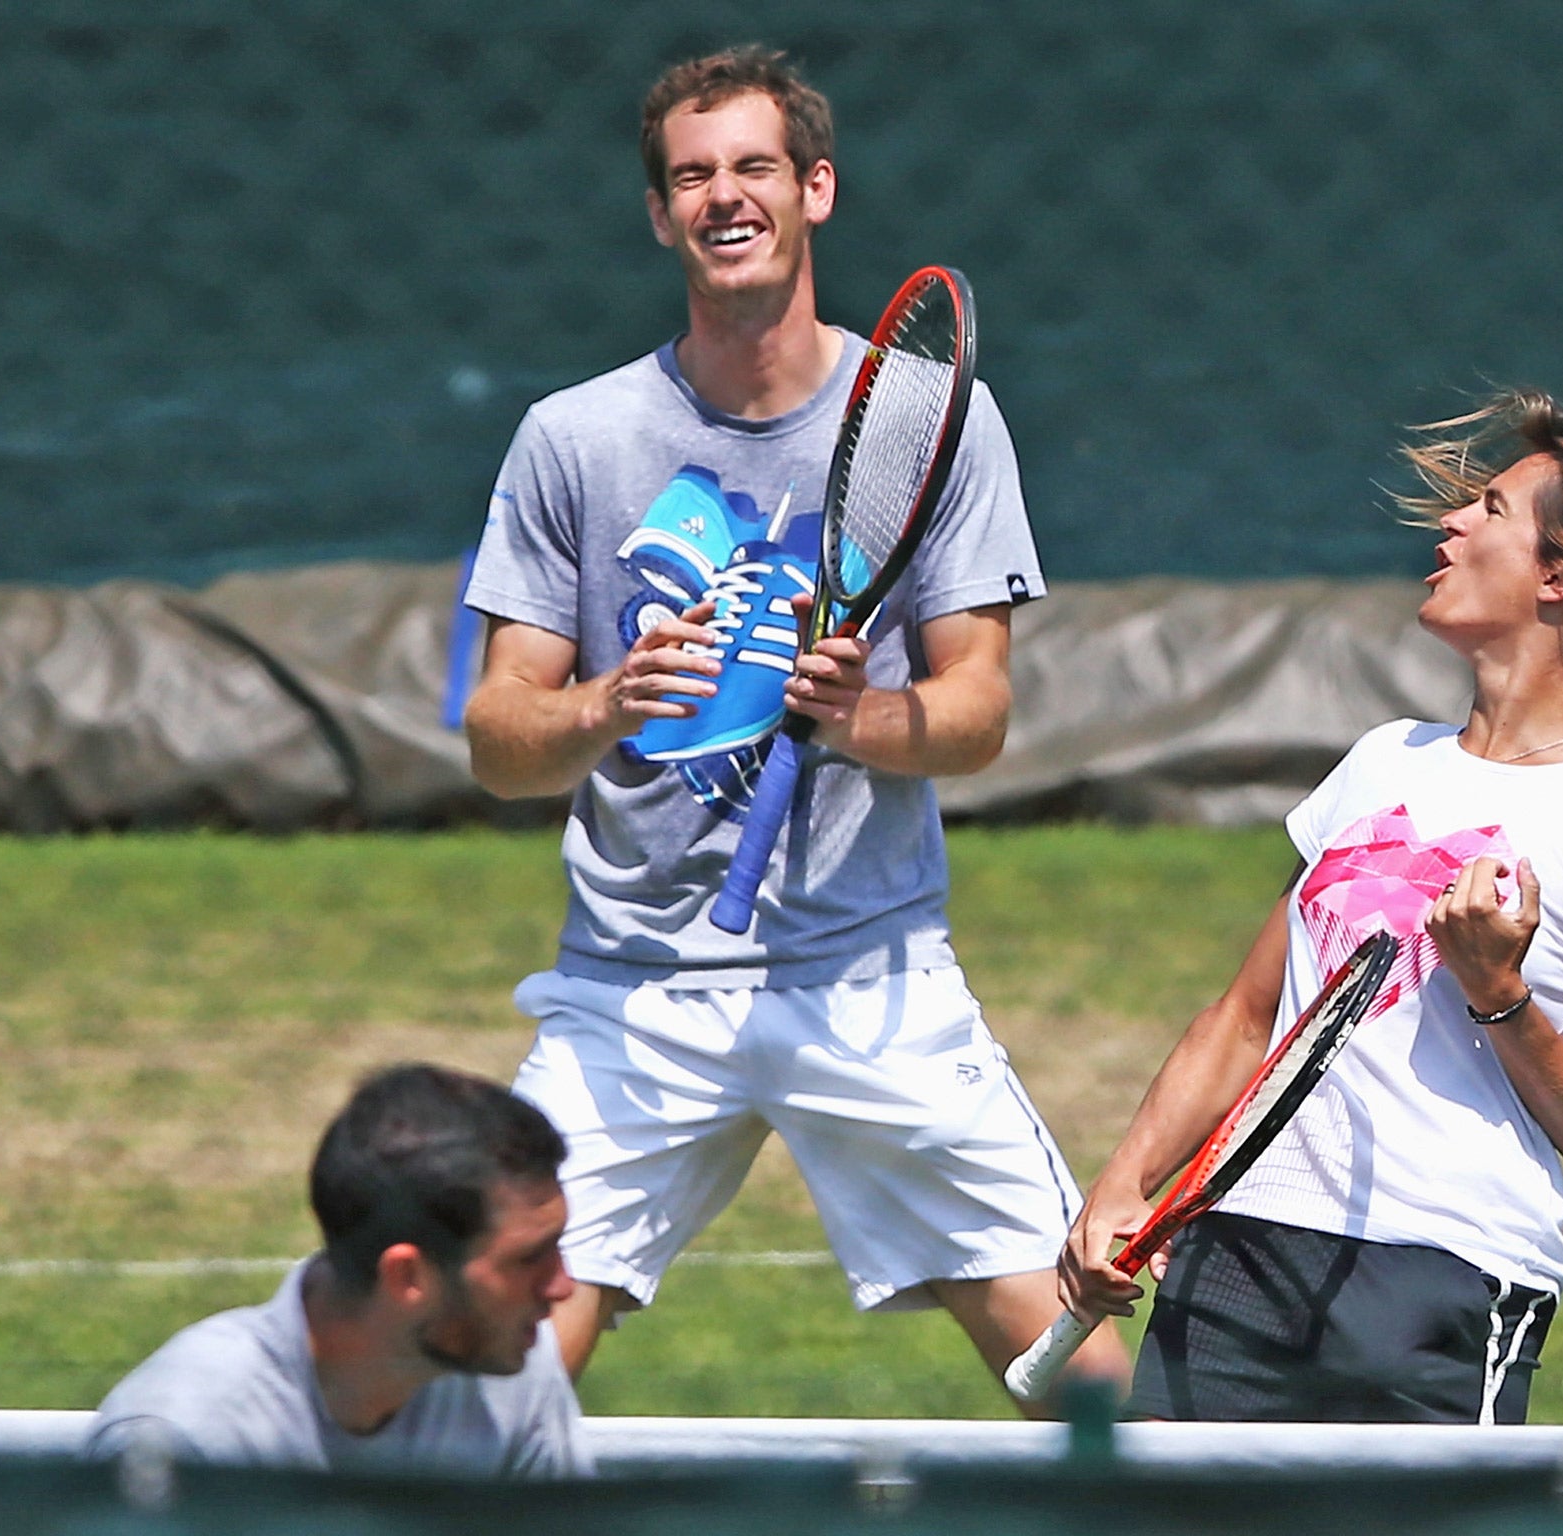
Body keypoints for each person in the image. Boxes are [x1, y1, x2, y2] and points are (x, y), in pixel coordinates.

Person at [460, 45, 1126, 1402]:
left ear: (815, 189)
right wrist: (604, 702)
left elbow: (978, 713)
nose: (724, 197)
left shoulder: (938, 416)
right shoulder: (571, 440)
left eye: (754, 167)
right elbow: (495, 740)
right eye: (692, 176)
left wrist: (862, 718)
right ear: (659, 215)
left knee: (1081, 1370)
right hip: (632, 990)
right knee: (497, 1366)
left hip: (868, 980)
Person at [1060, 390, 1563, 1423]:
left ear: (1556, 577)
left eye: (1488, 509)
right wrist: (1122, 1185)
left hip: (1440, 1288)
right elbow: (1245, 1018)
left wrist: (1497, 993)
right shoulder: (1380, 763)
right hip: (1235, 1259)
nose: (1449, 523)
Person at [88, 1064, 587, 1475]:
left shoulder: (511, 1371)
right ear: (407, 1278)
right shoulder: (185, 1438)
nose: (561, 1287)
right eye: (527, 1259)